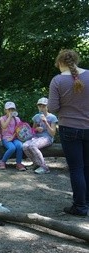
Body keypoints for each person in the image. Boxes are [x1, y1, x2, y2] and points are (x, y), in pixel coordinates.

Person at [48, 49, 89, 216]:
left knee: (76, 168)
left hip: (69, 129)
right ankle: (86, 200)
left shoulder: (57, 81)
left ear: (60, 63)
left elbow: (53, 108)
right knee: (87, 166)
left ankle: (80, 207)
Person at [23, 98, 58, 174]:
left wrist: (46, 122)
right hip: (37, 137)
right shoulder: (36, 117)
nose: (41, 108)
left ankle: (44, 167)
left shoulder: (52, 117)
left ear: (47, 107)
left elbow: (53, 133)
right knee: (25, 146)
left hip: (47, 137)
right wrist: (36, 129)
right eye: (40, 106)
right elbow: (33, 130)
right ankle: (36, 164)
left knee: (32, 146)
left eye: (43, 106)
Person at [0, 101, 26, 171]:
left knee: (19, 146)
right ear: (5, 110)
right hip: (6, 138)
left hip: (14, 137)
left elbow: (18, 129)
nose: (11, 111)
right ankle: (3, 161)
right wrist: (9, 117)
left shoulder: (17, 119)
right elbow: (4, 126)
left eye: (12, 110)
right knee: (12, 148)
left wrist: (13, 137)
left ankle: (18, 163)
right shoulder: (2, 118)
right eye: (9, 110)